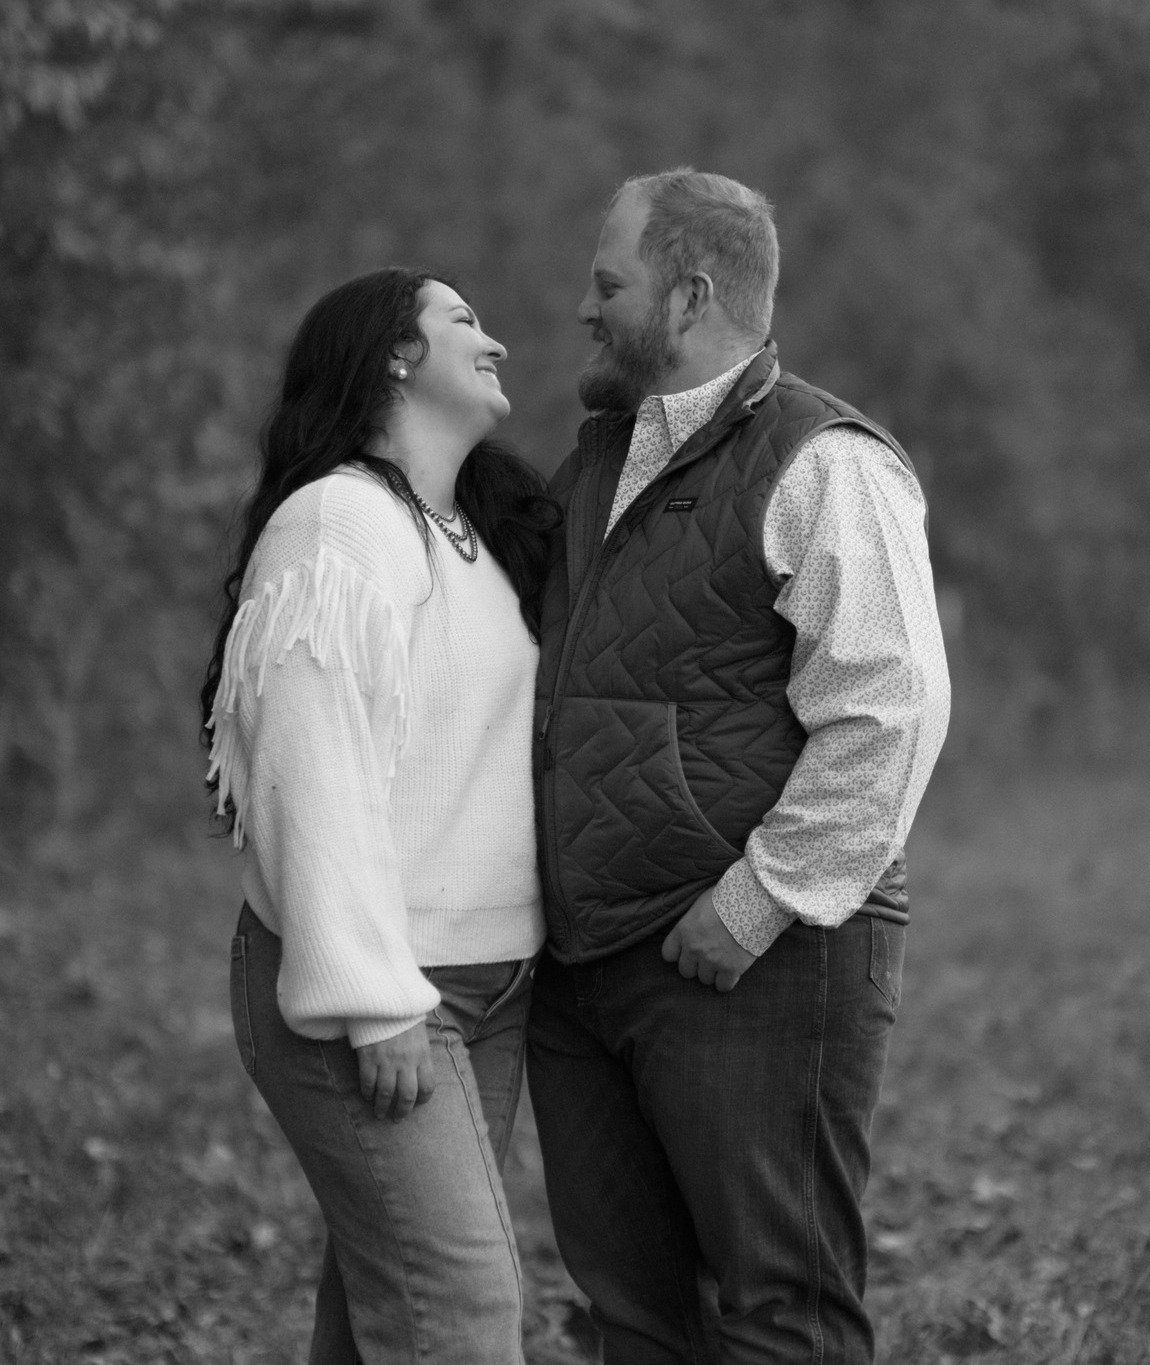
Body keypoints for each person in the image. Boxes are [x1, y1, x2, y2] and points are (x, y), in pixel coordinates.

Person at [527, 169, 952, 1363]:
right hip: (597, 964)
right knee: (639, 1325)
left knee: (782, 1317)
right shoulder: (600, 463)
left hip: (753, 962)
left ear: (690, 294)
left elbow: (889, 704)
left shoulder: (825, 464)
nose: (582, 309)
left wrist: (754, 904)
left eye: (608, 284)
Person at [200, 268, 555, 1364]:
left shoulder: (468, 532)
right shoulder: (339, 521)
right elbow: (313, 771)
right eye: (462, 322)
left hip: (489, 990)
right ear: (396, 356)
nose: (493, 342)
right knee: (461, 1321)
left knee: (380, 1319)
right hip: (386, 999)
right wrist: (374, 1003)